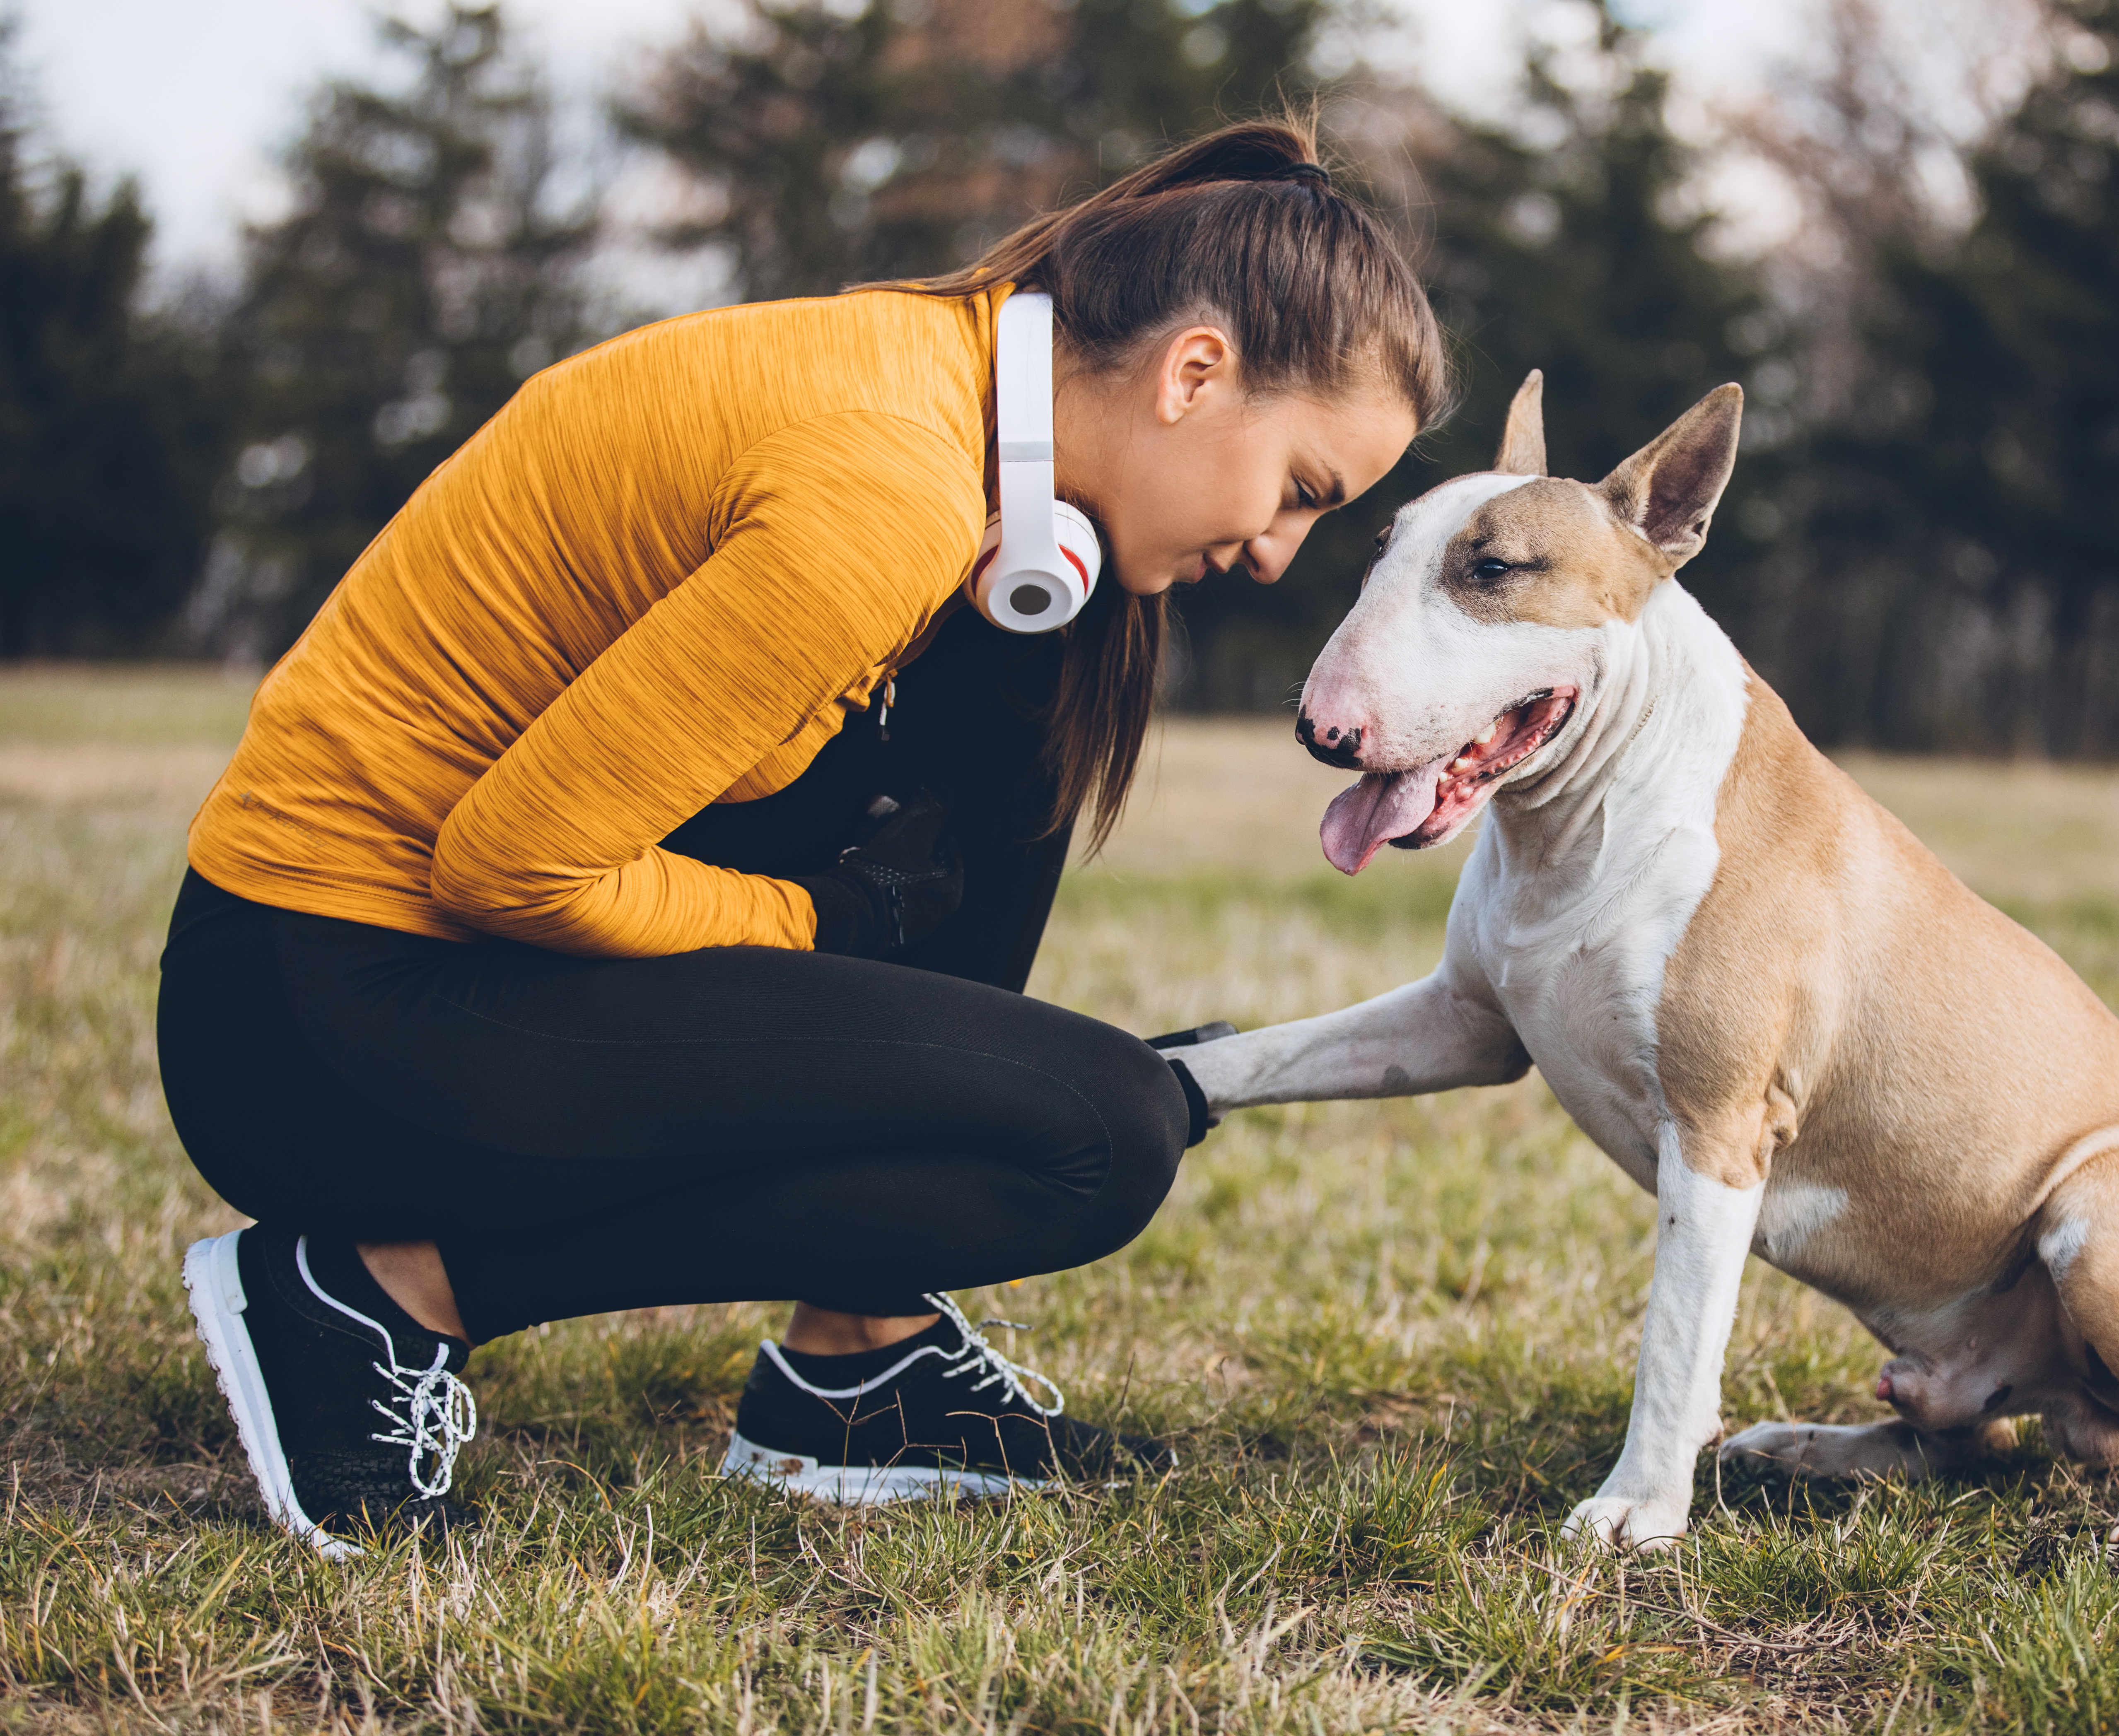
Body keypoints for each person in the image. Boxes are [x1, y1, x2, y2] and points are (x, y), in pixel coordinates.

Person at [158, 118, 1448, 1555]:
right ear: (1193, 372)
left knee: (1038, 642)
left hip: (381, 968)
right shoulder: (883, 489)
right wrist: (819, 928)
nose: (1278, 551)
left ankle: (862, 1354)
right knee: (1097, 1134)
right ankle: (379, 1296)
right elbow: (516, 867)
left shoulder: (949, 395)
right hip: (319, 1018)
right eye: (1302, 491)